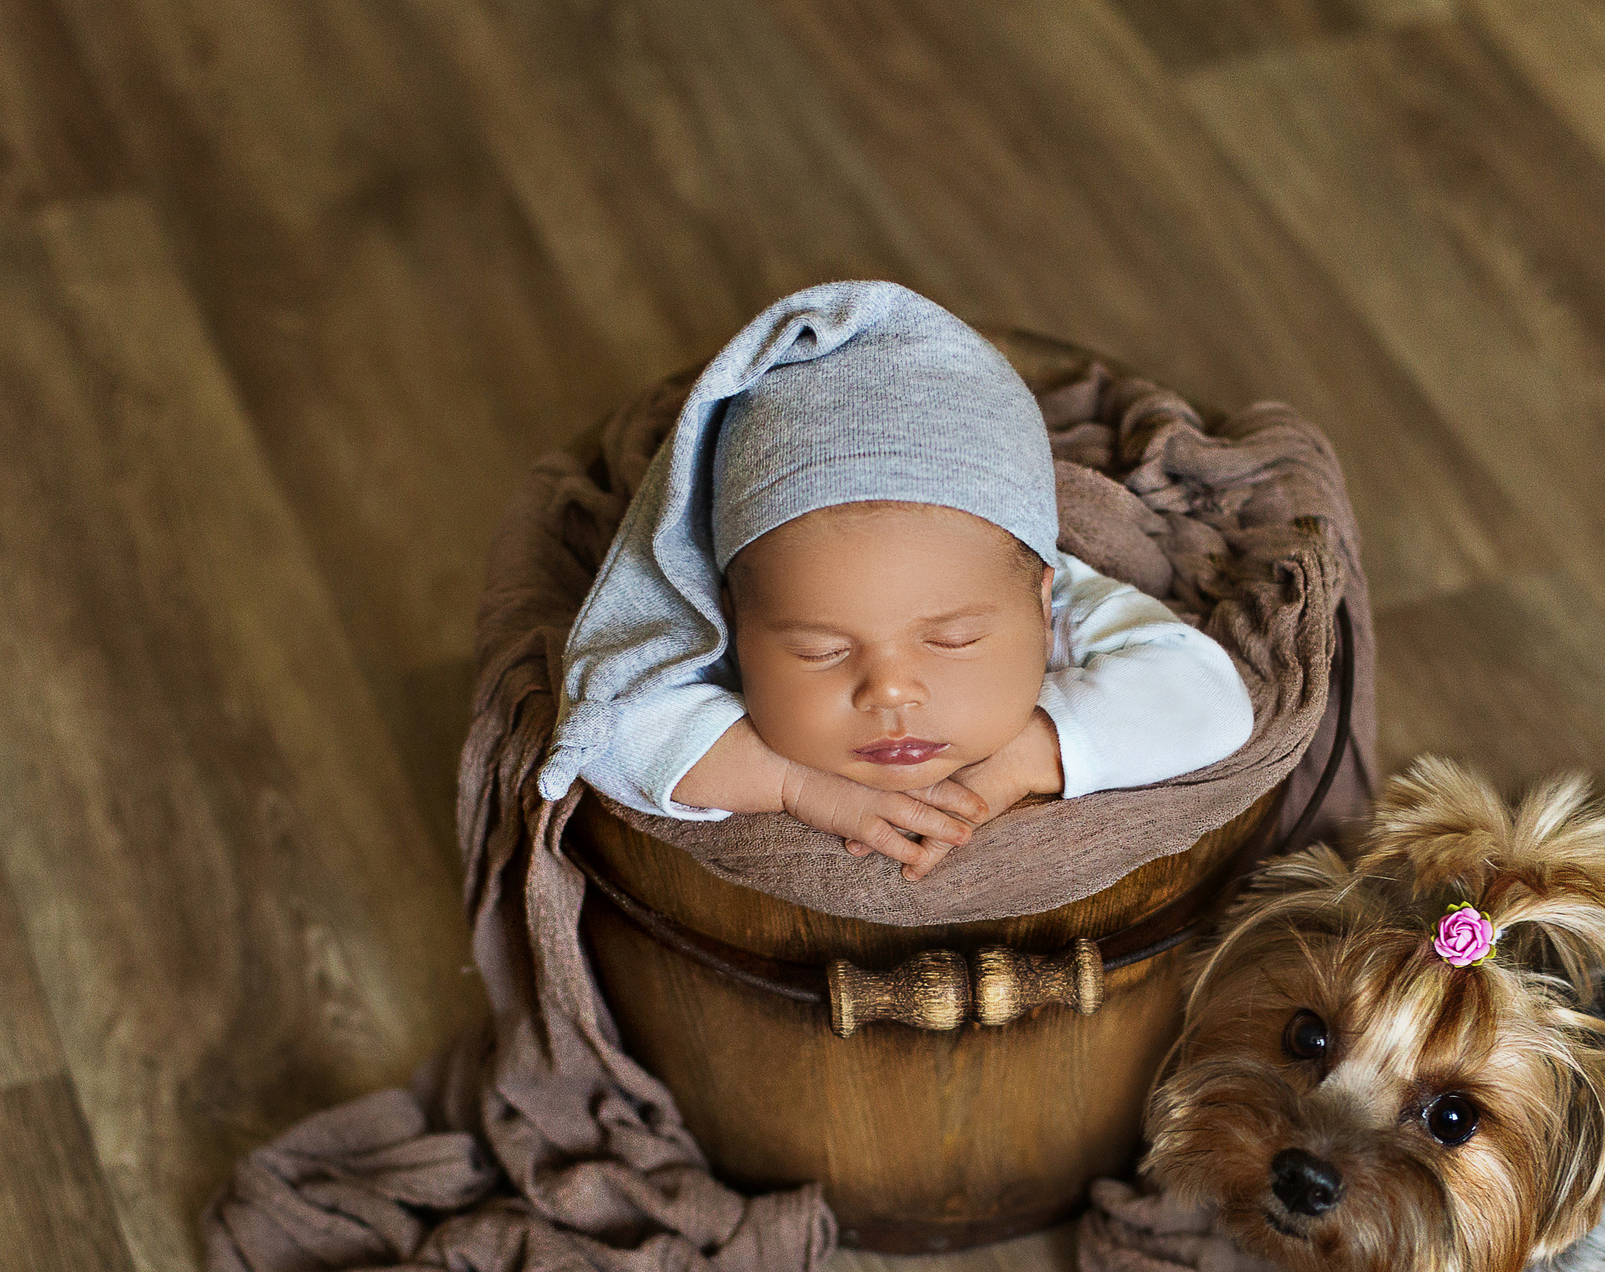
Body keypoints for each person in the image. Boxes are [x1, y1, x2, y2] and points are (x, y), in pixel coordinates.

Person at [537, 282, 1253, 880]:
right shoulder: (730, 623)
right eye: (819, 650)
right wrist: (791, 781)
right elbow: (605, 722)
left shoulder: (1059, 598)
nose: (889, 690)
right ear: (733, 619)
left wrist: (1033, 748)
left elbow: (1209, 698)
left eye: (953, 639)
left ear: (1040, 596)